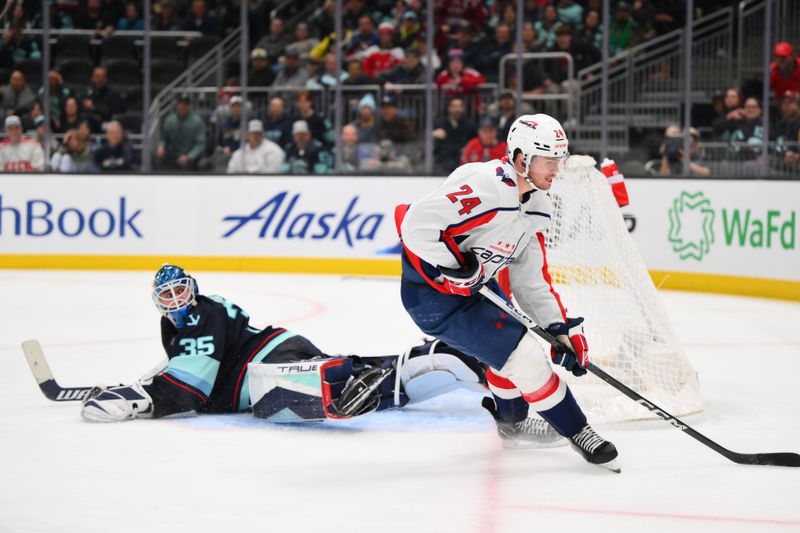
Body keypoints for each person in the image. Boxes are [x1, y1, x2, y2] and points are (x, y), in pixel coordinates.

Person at [394, 113, 620, 470]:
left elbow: (531, 282)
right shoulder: (482, 185)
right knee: (523, 357)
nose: (555, 171)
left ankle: (512, 426)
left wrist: (559, 329)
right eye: (548, 161)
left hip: (480, 288)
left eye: (558, 162)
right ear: (520, 158)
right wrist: (454, 265)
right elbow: (412, 224)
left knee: (510, 349)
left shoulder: (539, 208)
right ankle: (580, 433)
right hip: (433, 297)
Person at [80, 265, 496, 425]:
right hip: (270, 354)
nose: (176, 301)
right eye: (167, 296)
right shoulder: (197, 317)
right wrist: (146, 381)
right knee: (348, 377)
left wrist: (141, 398)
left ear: (193, 289)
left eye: (180, 291)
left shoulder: (202, 315)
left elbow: (191, 388)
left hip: (267, 365)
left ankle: (438, 361)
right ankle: (438, 360)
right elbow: (191, 359)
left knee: (331, 393)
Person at [156, 93, 206, 171]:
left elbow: (200, 144)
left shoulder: (197, 122)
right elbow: (163, 138)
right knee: (154, 155)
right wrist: (161, 146)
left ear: (189, 106)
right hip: (173, 155)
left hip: (190, 157)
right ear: (177, 105)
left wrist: (189, 156)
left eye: (185, 104)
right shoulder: (170, 120)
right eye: (180, 104)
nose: (182, 106)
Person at [432, 96, 476, 175]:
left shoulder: (469, 124)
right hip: (444, 161)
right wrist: (432, 135)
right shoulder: (439, 123)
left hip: (464, 163)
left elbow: (474, 142)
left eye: (460, 106)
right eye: (454, 106)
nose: (457, 109)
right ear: (448, 108)